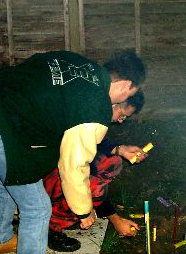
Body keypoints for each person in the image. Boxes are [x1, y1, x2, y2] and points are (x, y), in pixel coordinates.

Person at [0, 50, 146, 254]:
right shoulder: (95, 103)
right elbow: (74, 165)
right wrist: (84, 210)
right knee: (38, 209)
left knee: (13, 176)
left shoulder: (79, 65)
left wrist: (118, 149)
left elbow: (36, 67)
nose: (124, 99)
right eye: (129, 94)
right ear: (125, 85)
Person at [44, 91, 149, 252]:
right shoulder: (86, 115)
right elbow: (76, 171)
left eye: (126, 118)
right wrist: (116, 220)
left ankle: (79, 209)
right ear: (114, 103)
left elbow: (94, 144)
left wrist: (120, 150)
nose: (121, 121)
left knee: (112, 162)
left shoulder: (93, 112)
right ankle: (51, 227)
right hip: (46, 172)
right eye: (122, 115)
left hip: (67, 164)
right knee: (95, 187)